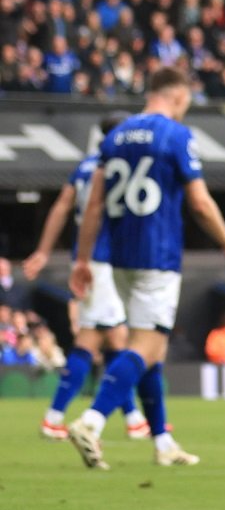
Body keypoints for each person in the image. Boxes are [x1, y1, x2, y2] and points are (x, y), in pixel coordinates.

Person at [66, 69, 225, 469]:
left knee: (152, 348)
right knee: (145, 345)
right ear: (178, 95)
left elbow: (93, 205)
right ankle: (92, 422)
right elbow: (199, 203)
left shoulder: (114, 137)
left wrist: (81, 259)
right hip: (158, 254)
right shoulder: (176, 135)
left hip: (119, 256)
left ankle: (162, 441)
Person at [24, 113, 152, 442]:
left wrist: (43, 250)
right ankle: (56, 417)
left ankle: (134, 417)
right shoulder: (115, 166)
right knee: (100, 339)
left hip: (84, 258)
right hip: (104, 259)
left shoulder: (84, 166)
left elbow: (62, 207)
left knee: (112, 340)